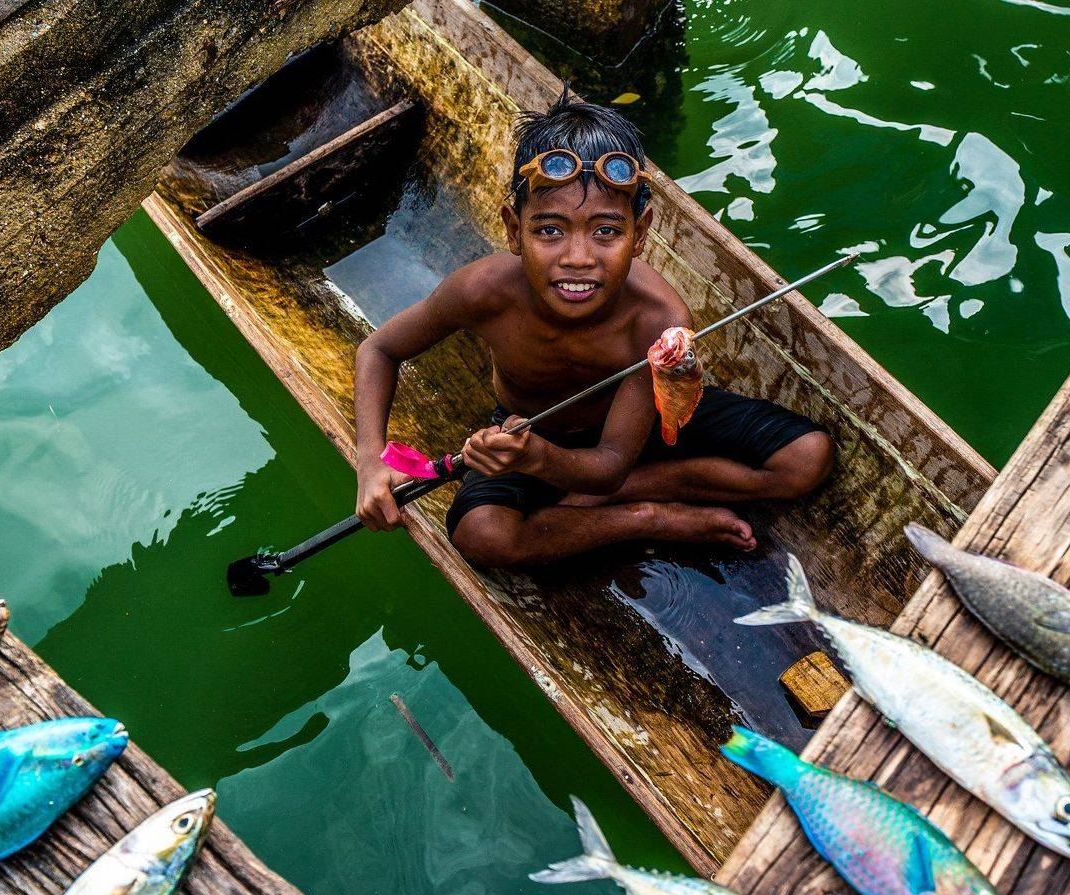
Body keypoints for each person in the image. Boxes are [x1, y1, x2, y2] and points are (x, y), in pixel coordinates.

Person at [352, 94, 834, 568]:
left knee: (807, 457)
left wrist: (548, 465)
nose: (578, 258)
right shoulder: (482, 290)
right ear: (514, 229)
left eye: (606, 231)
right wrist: (372, 462)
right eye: (549, 230)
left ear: (640, 233)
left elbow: (610, 463)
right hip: (531, 428)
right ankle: (647, 517)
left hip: (632, 433)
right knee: (483, 535)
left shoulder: (657, 321)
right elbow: (380, 349)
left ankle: (621, 495)